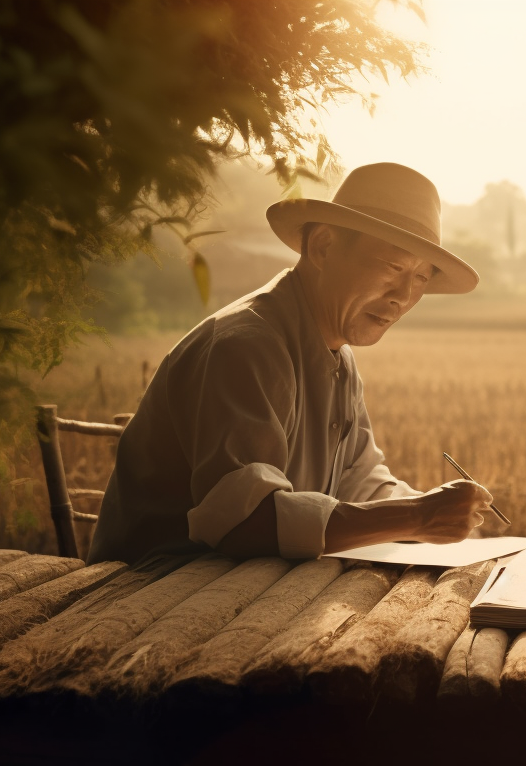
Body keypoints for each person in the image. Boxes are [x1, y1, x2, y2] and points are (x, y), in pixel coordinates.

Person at [89, 163, 494, 565]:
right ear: (323, 246)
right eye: (393, 267)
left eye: (422, 278)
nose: (404, 296)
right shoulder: (247, 346)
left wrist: (433, 509)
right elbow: (244, 523)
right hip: (156, 590)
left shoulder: (339, 356)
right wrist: (418, 517)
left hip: (246, 590)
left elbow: (360, 482)